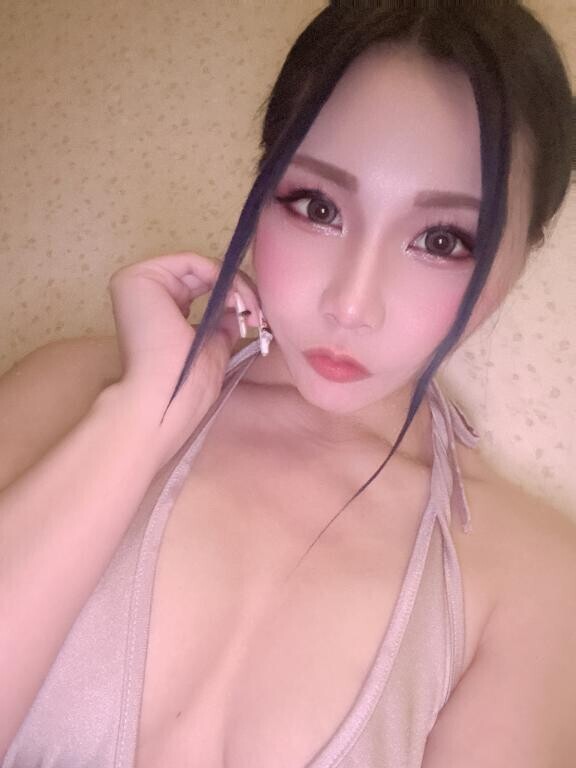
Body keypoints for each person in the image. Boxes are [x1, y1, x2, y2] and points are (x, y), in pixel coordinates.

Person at [0, 1, 575, 766]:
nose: (350, 304)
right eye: (317, 205)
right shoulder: (70, 393)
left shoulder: (535, 581)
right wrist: (136, 420)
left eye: (442, 239)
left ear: (526, 250)